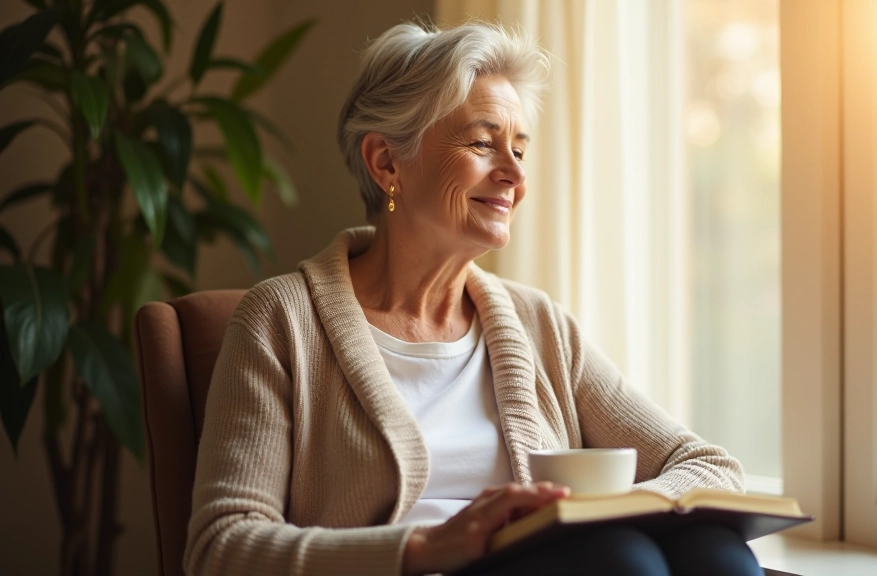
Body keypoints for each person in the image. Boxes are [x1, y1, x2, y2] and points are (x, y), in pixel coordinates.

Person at [184, 21, 762, 576]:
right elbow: (222, 547)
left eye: (520, 149)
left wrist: (598, 513)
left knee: (713, 551)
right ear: (387, 162)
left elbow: (709, 468)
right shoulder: (280, 321)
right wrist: (429, 547)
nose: (514, 174)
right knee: (618, 561)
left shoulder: (540, 325)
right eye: (484, 144)